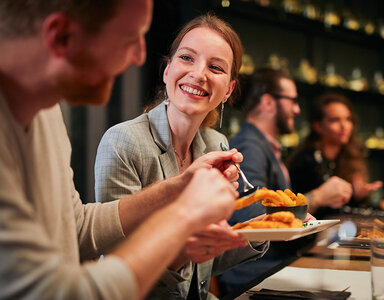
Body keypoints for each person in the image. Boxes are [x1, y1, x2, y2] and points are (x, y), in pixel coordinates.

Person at [0, 1, 247, 299]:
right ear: (61, 36)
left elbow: (76, 230)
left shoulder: (47, 111)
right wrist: (182, 218)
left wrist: (179, 187)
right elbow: (57, 292)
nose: (140, 55)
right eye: (129, 39)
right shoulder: (122, 139)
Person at [95, 13, 268, 300]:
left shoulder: (217, 144)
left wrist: (260, 232)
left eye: (215, 67)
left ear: (228, 90)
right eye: (187, 58)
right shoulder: (123, 142)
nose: (198, 74)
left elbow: (203, 264)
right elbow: (121, 265)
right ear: (167, 70)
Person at [218, 68, 353, 294]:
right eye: (292, 101)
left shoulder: (264, 146)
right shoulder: (250, 145)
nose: (297, 109)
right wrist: (317, 197)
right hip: (253, 276)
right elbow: (251, 218)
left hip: (272, 267)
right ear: (269, 102)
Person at [288, 92, 383, 219]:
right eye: (335, 120)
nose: (344, 126)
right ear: (318, 126)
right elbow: (293, 210)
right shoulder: (306, 159)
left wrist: (358, 196)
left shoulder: (350, 156)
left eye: (348, 119)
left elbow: (344, 208)